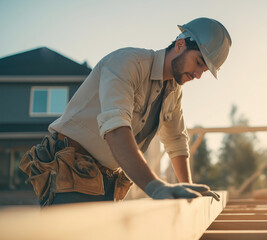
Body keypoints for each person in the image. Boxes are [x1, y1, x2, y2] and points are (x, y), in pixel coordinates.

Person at [19, 17, 232, 206]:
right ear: (180, 45)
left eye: (204, 70)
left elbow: (176, 141)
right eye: (198, 62)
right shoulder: (127, 63)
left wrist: (190, 190)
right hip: (70, 166)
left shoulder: (173, 92)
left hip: (108, 178)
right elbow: (115, 127)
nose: (198, 74)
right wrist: (155, 187)